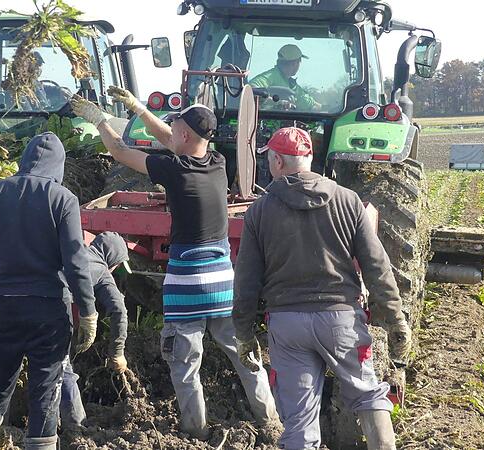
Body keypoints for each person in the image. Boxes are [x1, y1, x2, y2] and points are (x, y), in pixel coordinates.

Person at [70, 87, 279, 440]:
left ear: (184, 133)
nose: (172, 132)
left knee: (184, 365)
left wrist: (101, 121)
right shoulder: (217, 163)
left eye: (176, 126)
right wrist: (137, 110)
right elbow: (173, 138)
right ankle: (270, 422)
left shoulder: (173, 169)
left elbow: (121, 152)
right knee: (245, 356)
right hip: (223, 285)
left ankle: (196, 433)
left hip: (186, 287)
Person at [232, 127, 412, 450]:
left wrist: (243, 333)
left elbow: (246, 281)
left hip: (287, 327)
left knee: (299, 420)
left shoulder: (259, 211)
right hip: (341, 320)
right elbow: (377, 267)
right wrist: (397, 321)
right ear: (310, 158)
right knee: (369, 395)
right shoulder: (349, 201)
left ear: (276, 161)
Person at [0, 133, 99, 450]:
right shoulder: (63, 199)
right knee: (44, 389)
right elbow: (76, 262)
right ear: (59, 166)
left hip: (5, 308)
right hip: (50, 311)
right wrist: (88, 311)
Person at [60, 231, 131, 430]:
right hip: (53, 307)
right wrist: (117, 353)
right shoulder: (102, 270)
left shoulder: (75, 251)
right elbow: (119, 310)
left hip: (23, 298)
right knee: (62, 366)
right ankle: (76, 427)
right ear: (112, 259)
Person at [249, 44, 320, 111]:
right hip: (266, 120)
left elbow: (308, 103)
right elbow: (251, 89)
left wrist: (322, 107)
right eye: (299, 62)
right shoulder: (272, 76)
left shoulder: (292, 84)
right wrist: (278, 102)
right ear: (295, 63)